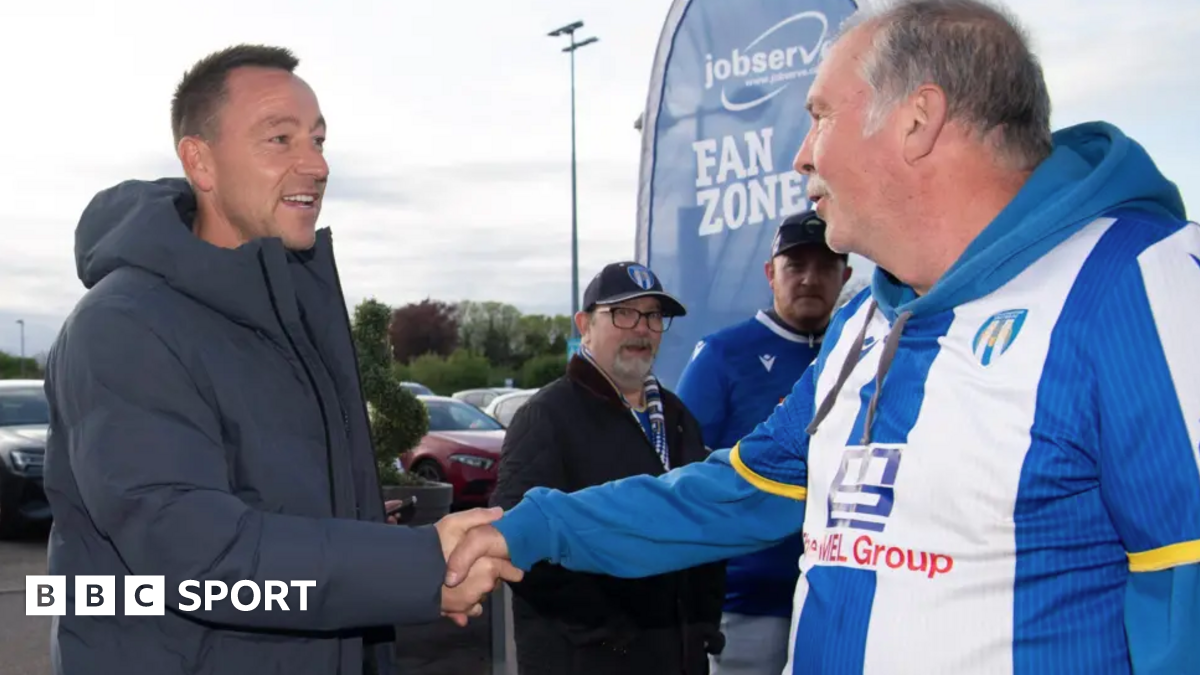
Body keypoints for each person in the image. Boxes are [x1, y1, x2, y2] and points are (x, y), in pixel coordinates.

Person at [445, 1, 1200, 673]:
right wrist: (532, 527)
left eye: (822, 116)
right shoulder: (863, 321)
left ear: (917, 119)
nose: (802, 154)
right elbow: (739, 492)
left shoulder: (1142, 283)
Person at [41, 44, 520, 675]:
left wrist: (385, 553)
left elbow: (281, 508)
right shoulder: (123, 326)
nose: (316, 165)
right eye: (280, 139)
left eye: (318, 140)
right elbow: (200, 558)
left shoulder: (293, 320)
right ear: (200, 161)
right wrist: (420, 566)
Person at [489, 261, 726, 675]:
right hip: (588, 660)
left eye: (653, 316)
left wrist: (703, 623)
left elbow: (706, 523)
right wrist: (608, 633)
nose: (642, 329)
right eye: (623, 313)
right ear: (585, 325)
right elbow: (517, 538)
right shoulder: (546, 416)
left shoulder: (679, 418)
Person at [675, 210, 851, 675]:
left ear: (846, 275)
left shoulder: (861, 350)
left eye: (825, 266)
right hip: (749, 602)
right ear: (771, 273)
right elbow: (685, 474)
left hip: (842, 596)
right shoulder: (723, 354)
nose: (809, 278)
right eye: (795, 266)